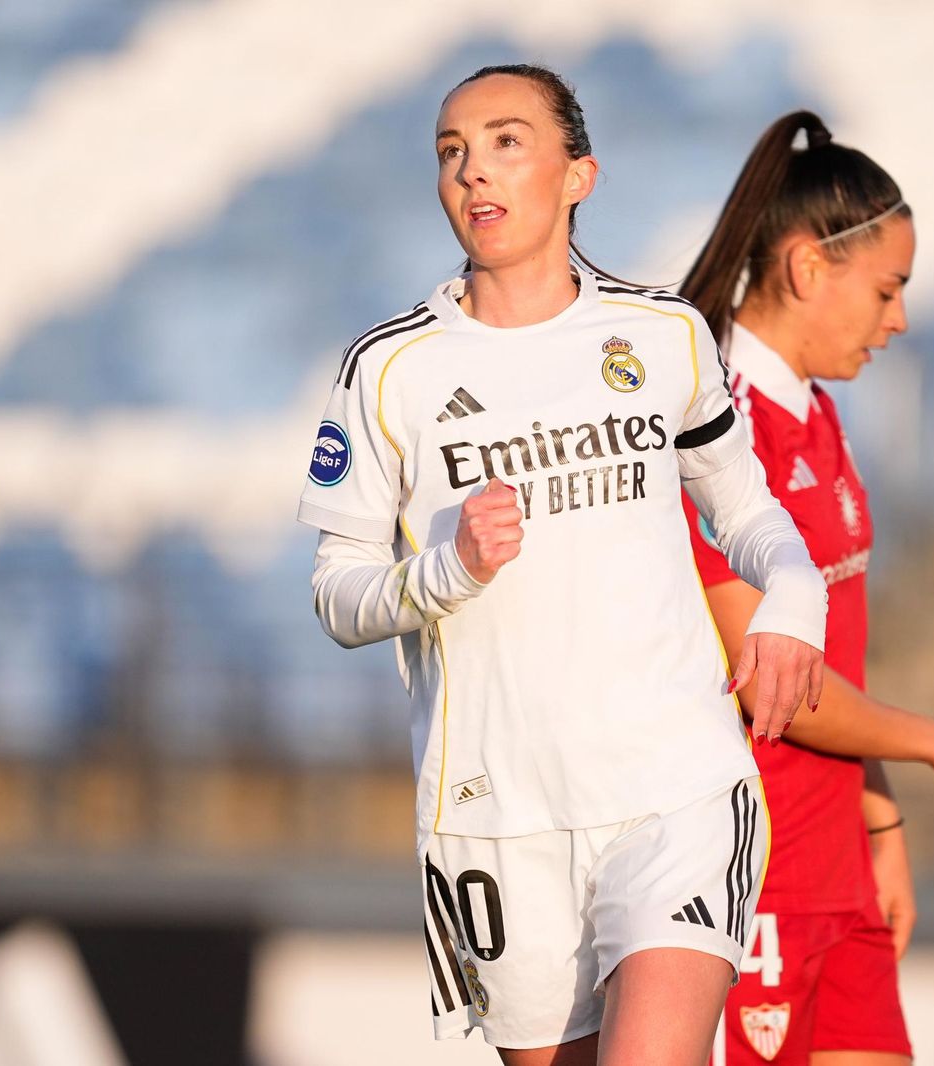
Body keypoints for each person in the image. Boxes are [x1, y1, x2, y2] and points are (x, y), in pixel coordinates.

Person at [299, 65, 829, 1066]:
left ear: (578, 174)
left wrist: (794, 598)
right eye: (451, 151)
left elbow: (748, 510)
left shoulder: (661, 335)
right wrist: (444, 570)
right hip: (496, 820)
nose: (472, 172)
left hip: (675, 787)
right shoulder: (389, 368)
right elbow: (337, 591)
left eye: (505, 142)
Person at [675, 112, 934, 1065]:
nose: (899, 318)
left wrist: (880, 820)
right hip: (754, 877)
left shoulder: (816, 412)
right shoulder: (715, 429)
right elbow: (766, 676)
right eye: (887, 288)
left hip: (838, 874)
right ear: (806, 268)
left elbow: (834, 651)